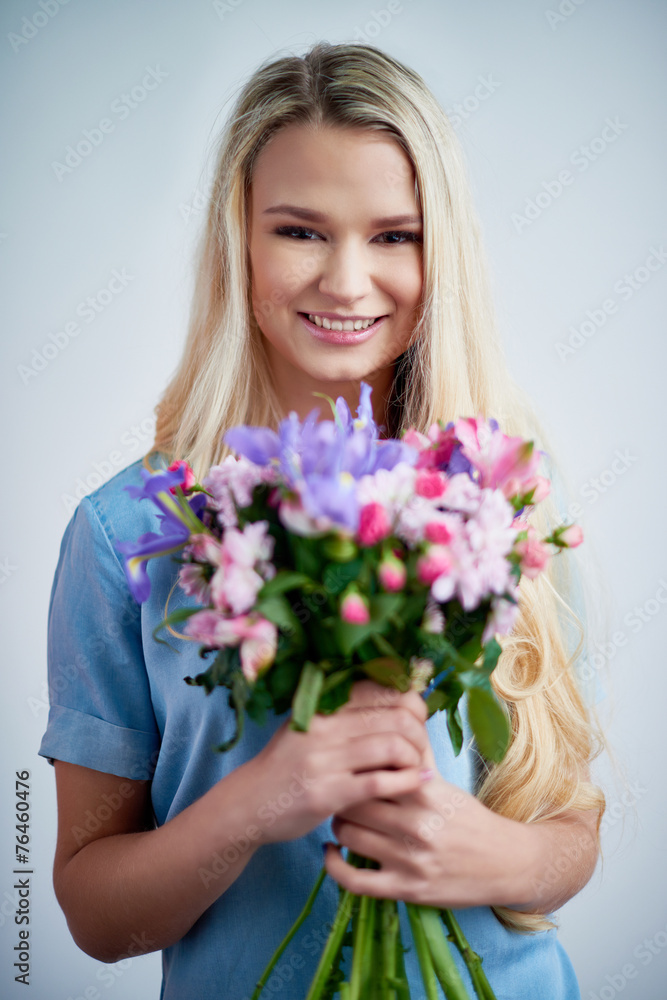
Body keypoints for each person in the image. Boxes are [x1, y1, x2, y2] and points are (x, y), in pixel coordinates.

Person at [39, 41, 606, 999]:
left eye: (395, 236)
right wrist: (256, 805)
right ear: (239, 240)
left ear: (443, 253)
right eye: (300, 231)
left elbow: (570, 831)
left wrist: (492, 857)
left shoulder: (503, 493)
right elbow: (92, 915)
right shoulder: (126, 531)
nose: (347, 282)